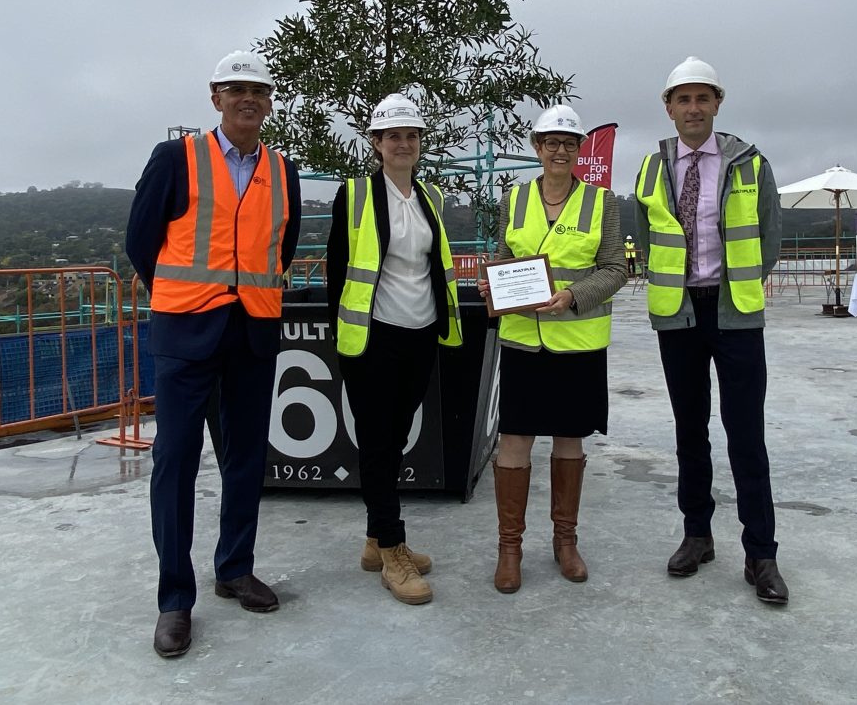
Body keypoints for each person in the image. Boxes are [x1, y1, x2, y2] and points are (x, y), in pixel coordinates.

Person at [126, 50, 302, 657]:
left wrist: (242, 294)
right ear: (215, 96)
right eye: (236, 89)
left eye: (258, 90)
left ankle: (235, 568)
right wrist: (186, 297)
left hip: (252, 331)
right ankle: (175, 600)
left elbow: (283, 246)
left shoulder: (283, 170)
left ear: (269, 100)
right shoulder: (176, 158)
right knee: (175, 459)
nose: (247, 98)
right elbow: (140, 241)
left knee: (247, 457)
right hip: (185, 333)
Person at [634, 56, 789, 605]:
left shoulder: (749, 163)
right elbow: (646, 239)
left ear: (717, 103)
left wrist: (734, 284)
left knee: (746, 433)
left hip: (734, 313)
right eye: (684, 99)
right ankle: (696, 534)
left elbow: (769, 238)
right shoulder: (652, 167)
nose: (693, 108)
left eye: (703, 98)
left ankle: (761, 553)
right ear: (669, 108)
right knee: (688, 430)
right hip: (678, 315)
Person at [477, 104, 626, 593]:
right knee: (515, 440)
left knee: (569, 439)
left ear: (579, 150)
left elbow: (615, 269)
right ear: (536, 147)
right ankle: (509, 548)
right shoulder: (513, 200)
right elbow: (503, 259)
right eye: (550, 143)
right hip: (523, 342)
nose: (559, 151)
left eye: (569, 143)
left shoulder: (601, 203)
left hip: (577, 342)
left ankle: (566, 542)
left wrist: (573, 297)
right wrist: (492, 286)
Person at [325, 94, 462, 606]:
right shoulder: (356, 194)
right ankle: (392, 547)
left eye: (411, 135)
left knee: (397, 435)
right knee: (379, 441)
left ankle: (374, 539)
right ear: (377, 144)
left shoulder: (430, 196)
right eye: (393, 136)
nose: (403, 143)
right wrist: (349, 335)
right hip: (373, 335)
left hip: (421, 331)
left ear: (419, 143)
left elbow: (431, 264)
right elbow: (338, 270)